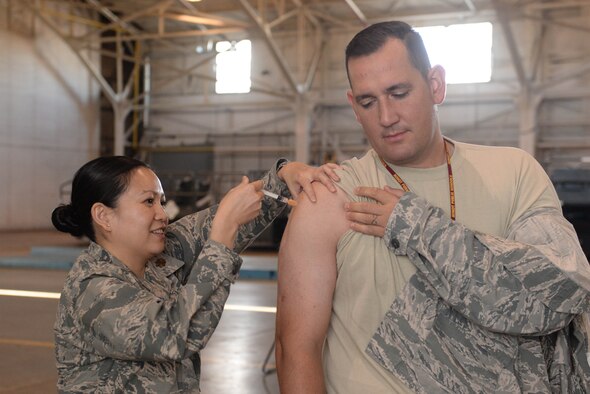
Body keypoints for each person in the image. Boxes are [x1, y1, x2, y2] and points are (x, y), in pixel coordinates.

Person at [275, 20, 590, 394]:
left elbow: (563, 291)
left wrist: (421, 227)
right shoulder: (329, 196)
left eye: (399, 92)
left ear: (435, 84)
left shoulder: (514, 172)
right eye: (368, 101)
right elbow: (296, 350)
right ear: (353, 106)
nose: (386, 117)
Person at [51, 155, 339, 393]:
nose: (162, 214)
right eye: (148, 202)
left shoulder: (161, 255)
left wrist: (286, 174)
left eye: (161, 202)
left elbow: (224, 216)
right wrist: (223, 236)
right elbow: (176, 335)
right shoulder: (93, 290)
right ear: (103, 216)